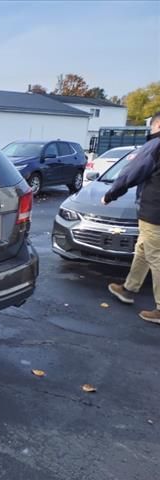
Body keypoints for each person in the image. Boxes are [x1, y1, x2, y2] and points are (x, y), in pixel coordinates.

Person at [104, 112, 160, 324]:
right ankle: (129, 289)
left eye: (152, 125)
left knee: (155, 256)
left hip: (154, 211)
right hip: (154, 212)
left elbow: (132, 172)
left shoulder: (156, 145)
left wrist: (111, 194)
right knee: (143, 250)